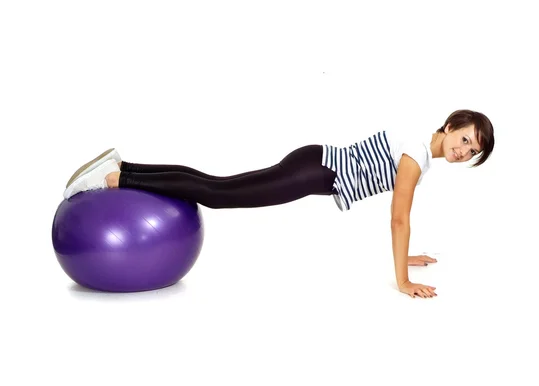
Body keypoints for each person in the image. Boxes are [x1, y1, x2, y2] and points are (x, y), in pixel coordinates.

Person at [62, 109, 495, 299]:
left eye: (471, 151)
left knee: (218, 184)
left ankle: (123, 166)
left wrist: (410, 256)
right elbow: (399, 220)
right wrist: (402, 280)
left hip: (314, 161)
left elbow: (401, 222)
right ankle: (118, 178)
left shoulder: (419, 147)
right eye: (464, 140)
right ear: (451, 124)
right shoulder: (417, 156)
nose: (463, 151)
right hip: (312, 172)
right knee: (218, 194)